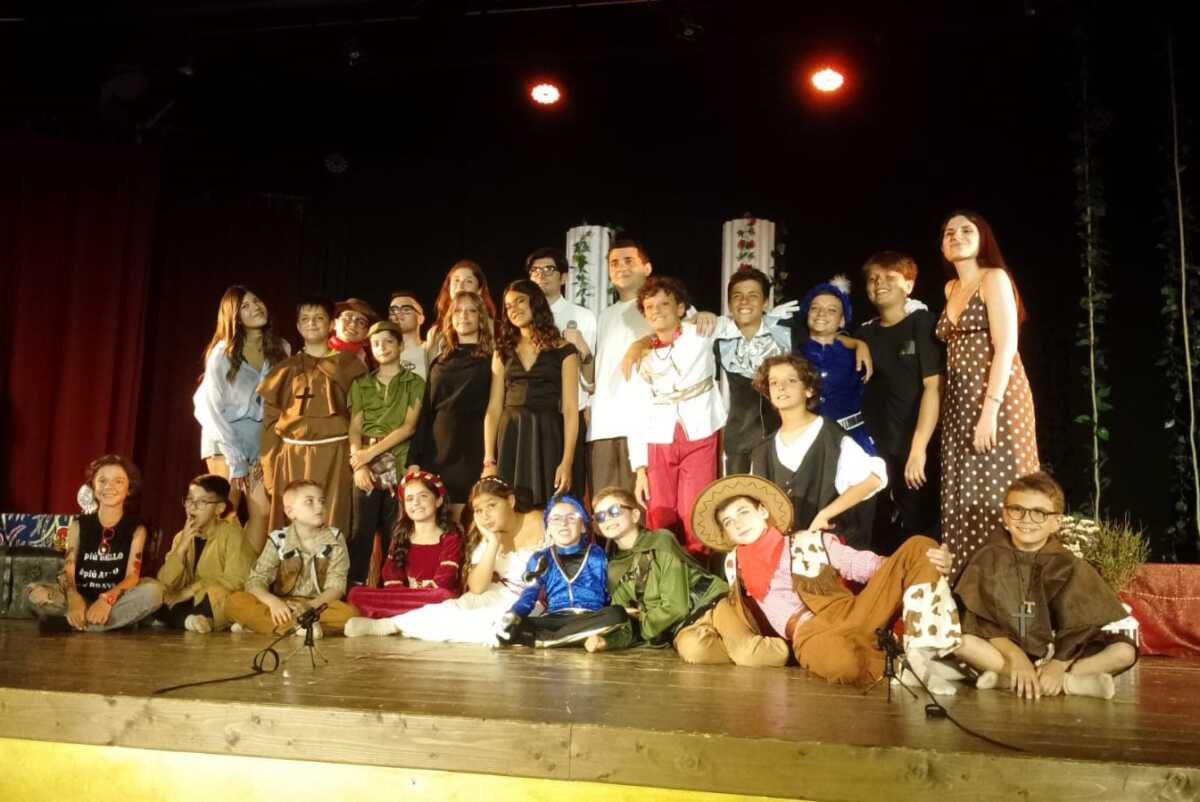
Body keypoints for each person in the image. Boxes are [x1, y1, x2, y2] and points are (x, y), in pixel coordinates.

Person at [681, 474, 960, 688]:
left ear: (763, 511)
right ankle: (902, 668)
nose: (738, 523)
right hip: (809, 635)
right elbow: (739, 614)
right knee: (844, 664)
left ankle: (925, 651)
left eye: (743, 512)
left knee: (920, 546)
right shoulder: (733, 566)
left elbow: (861, 565)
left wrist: (915, 567)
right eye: (728, 522)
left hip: (849, 612)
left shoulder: (806, 541)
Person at [953, 472, 1137, 700]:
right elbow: (980, 622)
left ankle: (1014, 680)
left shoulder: (1068, 563)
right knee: (962, 643)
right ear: (1005, 515)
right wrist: (1017, 657)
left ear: (1056, 522)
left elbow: (1083, 626)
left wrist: (1058, 665)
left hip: (1058, 653)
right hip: (1005, 651)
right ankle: (1068, 684)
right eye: (1017, 509)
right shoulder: (987, 558)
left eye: (1039, 513)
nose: (1026, 519)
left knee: (1124, 652)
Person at [936, 210, 1039, 574]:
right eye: (949, 232)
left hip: (997, 396)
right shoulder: (950, 288)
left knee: (1000, 489)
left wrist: (990, 410)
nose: (956, 236)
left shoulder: (993, 278)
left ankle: (1010, 582)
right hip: (959, 402)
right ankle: (967, 585)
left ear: (983, 239)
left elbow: (1006, 345)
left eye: (967, 230)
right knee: (964, 491)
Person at [345, 477, 547, 644]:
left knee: (477, 618)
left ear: (510, 501)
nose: (485, 516)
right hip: (490, 595)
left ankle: (394, 624)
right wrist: (493, 543)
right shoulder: (487, 533)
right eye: (478, 510)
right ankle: (388, 625)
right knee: (449, 607)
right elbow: (477, 588)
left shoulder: (541, 522)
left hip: (527, 601)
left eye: (492, 506)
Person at [588, 239, 718, 494]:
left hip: (648, 425)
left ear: (647, 268)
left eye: (629, 261)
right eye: (614, 263)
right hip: (604, 426)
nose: (621, 267)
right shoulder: (604, 316)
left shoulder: (664, 302)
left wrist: (641, 342)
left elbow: (687, 330)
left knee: (643, 504)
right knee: (605, 504)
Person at [623, 276, 739, 555]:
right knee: (660, 513)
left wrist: (709, 315)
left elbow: (741, 322)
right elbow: (636, 411)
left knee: (695, 511)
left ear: (680, 308)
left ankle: (697, 574)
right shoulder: (641, 354)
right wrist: (640, 469)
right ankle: (664, 573)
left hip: (699, 432)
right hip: (658, 439)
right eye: (650, 307)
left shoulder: (699, 332)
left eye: (664, 304)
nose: (657, 311)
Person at [749, 354, 887, 549]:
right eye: (774, 382)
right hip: (783, 553)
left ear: (809, 389)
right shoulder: (762, 451)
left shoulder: (831, 437)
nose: (781, 387)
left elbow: (873, 479)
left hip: (828, 550)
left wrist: (826, 513)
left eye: (791, 380)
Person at [258, 296, 367, 538]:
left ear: (331, 324)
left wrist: (360, 461)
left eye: (319, 318)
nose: (312, 323)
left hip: (335, 457)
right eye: (305, 319)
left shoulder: (350, 365)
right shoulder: (285, 369)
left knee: (331, 521)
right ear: (298, 326)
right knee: (293, 527)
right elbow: (269, 423)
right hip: (292, 457)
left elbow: (362, 418)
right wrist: (269, 467)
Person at [855, 252, 943, 553]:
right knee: (877, 528)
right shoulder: (865, 332)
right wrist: (855, 343)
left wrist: (918, 449)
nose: (879, 283)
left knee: (919, 526)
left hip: (916, 444)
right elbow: (830, 338)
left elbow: (933, 387)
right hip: (876, 446)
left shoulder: (923, 322)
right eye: (873, 279)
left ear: (909, 285)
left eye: (889, 277)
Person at [193, 285, 290, 554]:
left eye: (257, 301)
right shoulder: (222, 352)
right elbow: (207, 407)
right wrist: (235, 458)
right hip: (224, 434)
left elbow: (281, 402)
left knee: (263, 510)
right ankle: (209, 571)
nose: (255, 308)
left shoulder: (282, 348)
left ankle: (244, 571)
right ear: (234, 317)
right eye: (245, 306)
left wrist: (267, 448)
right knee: (226, 507)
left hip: (259, 438)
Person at [583, 486, 728, 654]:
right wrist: (605, 642)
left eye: (614, 511)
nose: (607, 519)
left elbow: (676, 606)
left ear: (635, 515)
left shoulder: (661, 541)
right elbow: (624, 624)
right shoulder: (614, 569)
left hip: (711, 605)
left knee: (745, 650)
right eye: (600, 516)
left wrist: (641, 621)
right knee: (698, 653)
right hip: (685, 628)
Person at [25, 455, 162, 633]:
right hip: (80, 597)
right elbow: (68, 571)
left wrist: (106, 600)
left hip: (115, 601)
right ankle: (98, 621)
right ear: (93, 486)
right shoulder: (79, 525)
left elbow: (132, 576)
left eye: (119, 481)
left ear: (129, 489)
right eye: (102, 480)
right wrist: (74, 599)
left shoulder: (136, 528)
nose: (109, 486)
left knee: (154, 592)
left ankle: (75, 624)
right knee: (32, 592)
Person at [484, 279, 581, 505]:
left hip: (547, 435)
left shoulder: (564, 350)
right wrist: (489, 459)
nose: (514, 309)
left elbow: (570, 409)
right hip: (511, 434)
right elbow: (494, 408)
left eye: (520, 301)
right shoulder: (502, 352)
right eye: (509, 306)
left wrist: (567, 461)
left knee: (549, 504)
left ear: (536, 303)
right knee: (510, 505)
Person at [226, 479, 358, 637]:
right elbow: (255, 581)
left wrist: (311, 605)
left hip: (318, 605)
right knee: (234, 601)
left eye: (322, 501)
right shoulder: (278, 539)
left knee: (349, 613)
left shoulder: (335, 538)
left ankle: (264, 626)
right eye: (310, 502)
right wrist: (273, 603)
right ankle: (303, 627)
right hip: (283, 603)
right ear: (290, 512)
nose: (319, 506)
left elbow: (337, 586)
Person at [347, 320, 425, 585]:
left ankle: (392, 585)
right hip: (365, 465)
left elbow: (409, 427)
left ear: (400, 345)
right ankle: (355, 588)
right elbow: (355, 428)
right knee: (361, 530)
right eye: (376, 343)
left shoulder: (414, 383)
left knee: (396, 530)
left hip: (398, 462)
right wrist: (359, 464)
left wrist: (370, 453)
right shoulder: (361, 384)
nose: (382, 347)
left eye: (389, 341)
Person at [497, 494, 627, 648]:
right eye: (556, 519)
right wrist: (513, 614)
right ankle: (571, 638)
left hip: (590, 617)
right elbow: (528, 597)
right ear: (548, 528)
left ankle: (547, 640)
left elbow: (610, 593)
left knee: (617, 614)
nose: (564, 524)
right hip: (554, 620)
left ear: (583, 526)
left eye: (571, 518)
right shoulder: (541, 558)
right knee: (507, 627)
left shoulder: (598, 555)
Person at [408, 291, 493, 520]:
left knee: (470, 520)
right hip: (437, 451)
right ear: (450, 318)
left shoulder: (492, 360)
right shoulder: (440, 360)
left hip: (473, 449)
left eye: (471, 311)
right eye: (458, 311)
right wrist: (414, 459)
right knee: (438, 521)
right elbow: (426, 413)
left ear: (481, 319)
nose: (464, 316)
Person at [343, 470, 464, 631]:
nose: (416, 503)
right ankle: (406, 620)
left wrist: (410, 598)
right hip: (407, 598)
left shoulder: (451, 536)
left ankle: (389, 622)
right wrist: (404, 597)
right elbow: (391, 576)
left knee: (444, 597)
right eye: (410, 499)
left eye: (423, 496)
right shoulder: (401, 536)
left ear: (438, 500)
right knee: (355, 594)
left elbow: (445, 580)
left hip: (436, 596)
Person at [714, 267, 792, 475]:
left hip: (783, 434)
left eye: (753, 296)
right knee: (738, 492)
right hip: (739, 437)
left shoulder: (785, 334)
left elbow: (826, 336)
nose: (744, 302)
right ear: (729, 303)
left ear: (765, 302)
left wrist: (857, 343)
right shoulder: (719, 339)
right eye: (737, 296)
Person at [155, 474, 256, 632]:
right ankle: (191, 620)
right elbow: (166, 581)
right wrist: (181, 548)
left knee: (218, 596)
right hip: (187, 600)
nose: (192, 507)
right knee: (153, 593)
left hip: (215, 599)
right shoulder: (181, 537)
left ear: (219, 508)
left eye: (202, 502)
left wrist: (191, 590)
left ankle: (181, 619)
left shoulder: (232, 533)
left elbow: (236, 580)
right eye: (189, 500)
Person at [791, 276, 876, 455]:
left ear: (842, 320)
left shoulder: (857, 355)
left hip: (852, 442)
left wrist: (859, 344)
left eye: (831, 310)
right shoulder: (793, 357)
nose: (821, 314)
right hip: (806, 443)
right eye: (815, 308)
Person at [527, 247, 597, 415]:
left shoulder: (583, 316)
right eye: (535, 270)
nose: (541, 275)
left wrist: (582, 347)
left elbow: (590, 381)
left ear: (563, 278)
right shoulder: (522, 317)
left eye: (549, 269)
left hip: (570, 410)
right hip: (531, 409)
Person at [425, 259, 497, 362]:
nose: (460, 286)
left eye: (468, 281)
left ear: (479, 290)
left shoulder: (497, 329)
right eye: (456, 280)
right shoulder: (436, 333)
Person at [386, 290, 429, 381]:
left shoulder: (430, 349)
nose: (398, 315)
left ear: (420, 319)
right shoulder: (382, 352)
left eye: (406, 310)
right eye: (393, 311)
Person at [328, 298, 379, 362]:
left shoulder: (372, 359)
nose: (353, 324)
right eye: (348, 317)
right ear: (335, 323)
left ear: (366, 334)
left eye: (361, 322)